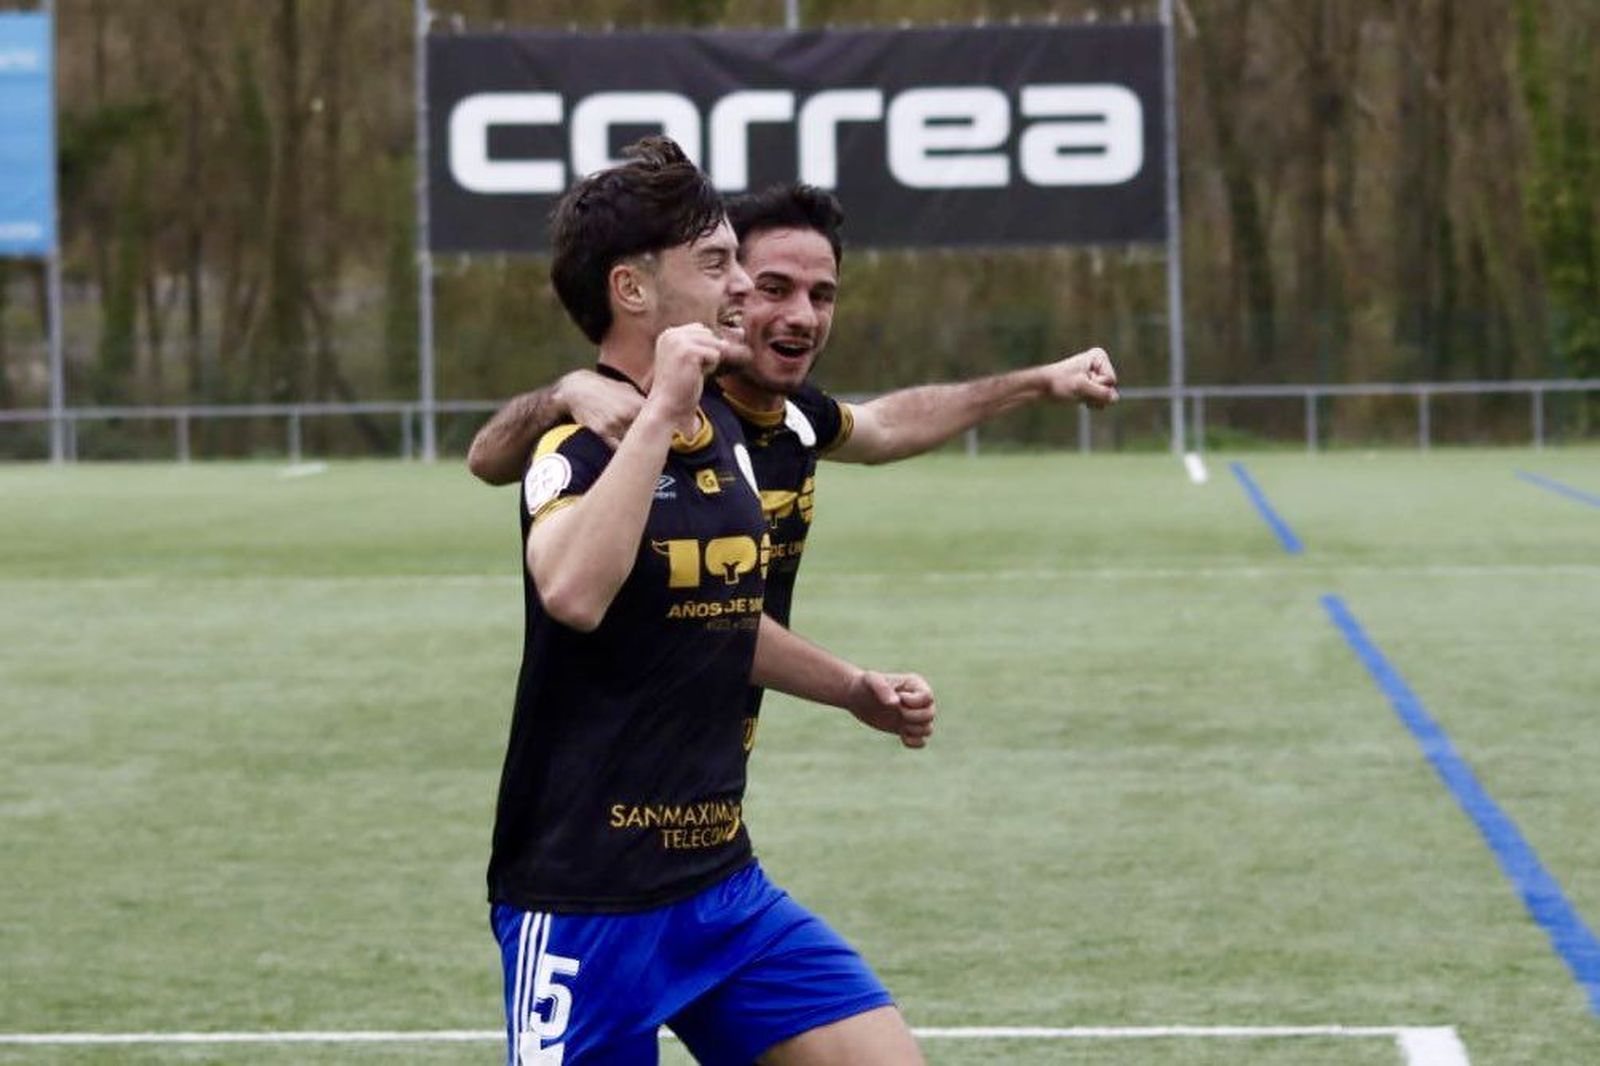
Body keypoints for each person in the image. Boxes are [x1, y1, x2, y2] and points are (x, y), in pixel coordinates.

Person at [488, 138, 933, 1065]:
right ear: (632, 289)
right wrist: (649, 409)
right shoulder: (576, 445)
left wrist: (852, 688)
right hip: (585, 903)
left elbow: (717, 618)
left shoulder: (725, 425)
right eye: (716, 263)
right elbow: (572, 592)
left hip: (721, 888)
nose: (742, 286)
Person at [469, 181, 1119, 692]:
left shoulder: (791, 415)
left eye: (822, 295)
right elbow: (490, 459)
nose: (802, 316)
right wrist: (564, 393)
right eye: (773, 288)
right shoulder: (662, 410)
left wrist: (1040, 381)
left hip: (704, 775)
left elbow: (887, 424)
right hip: (609, 792)